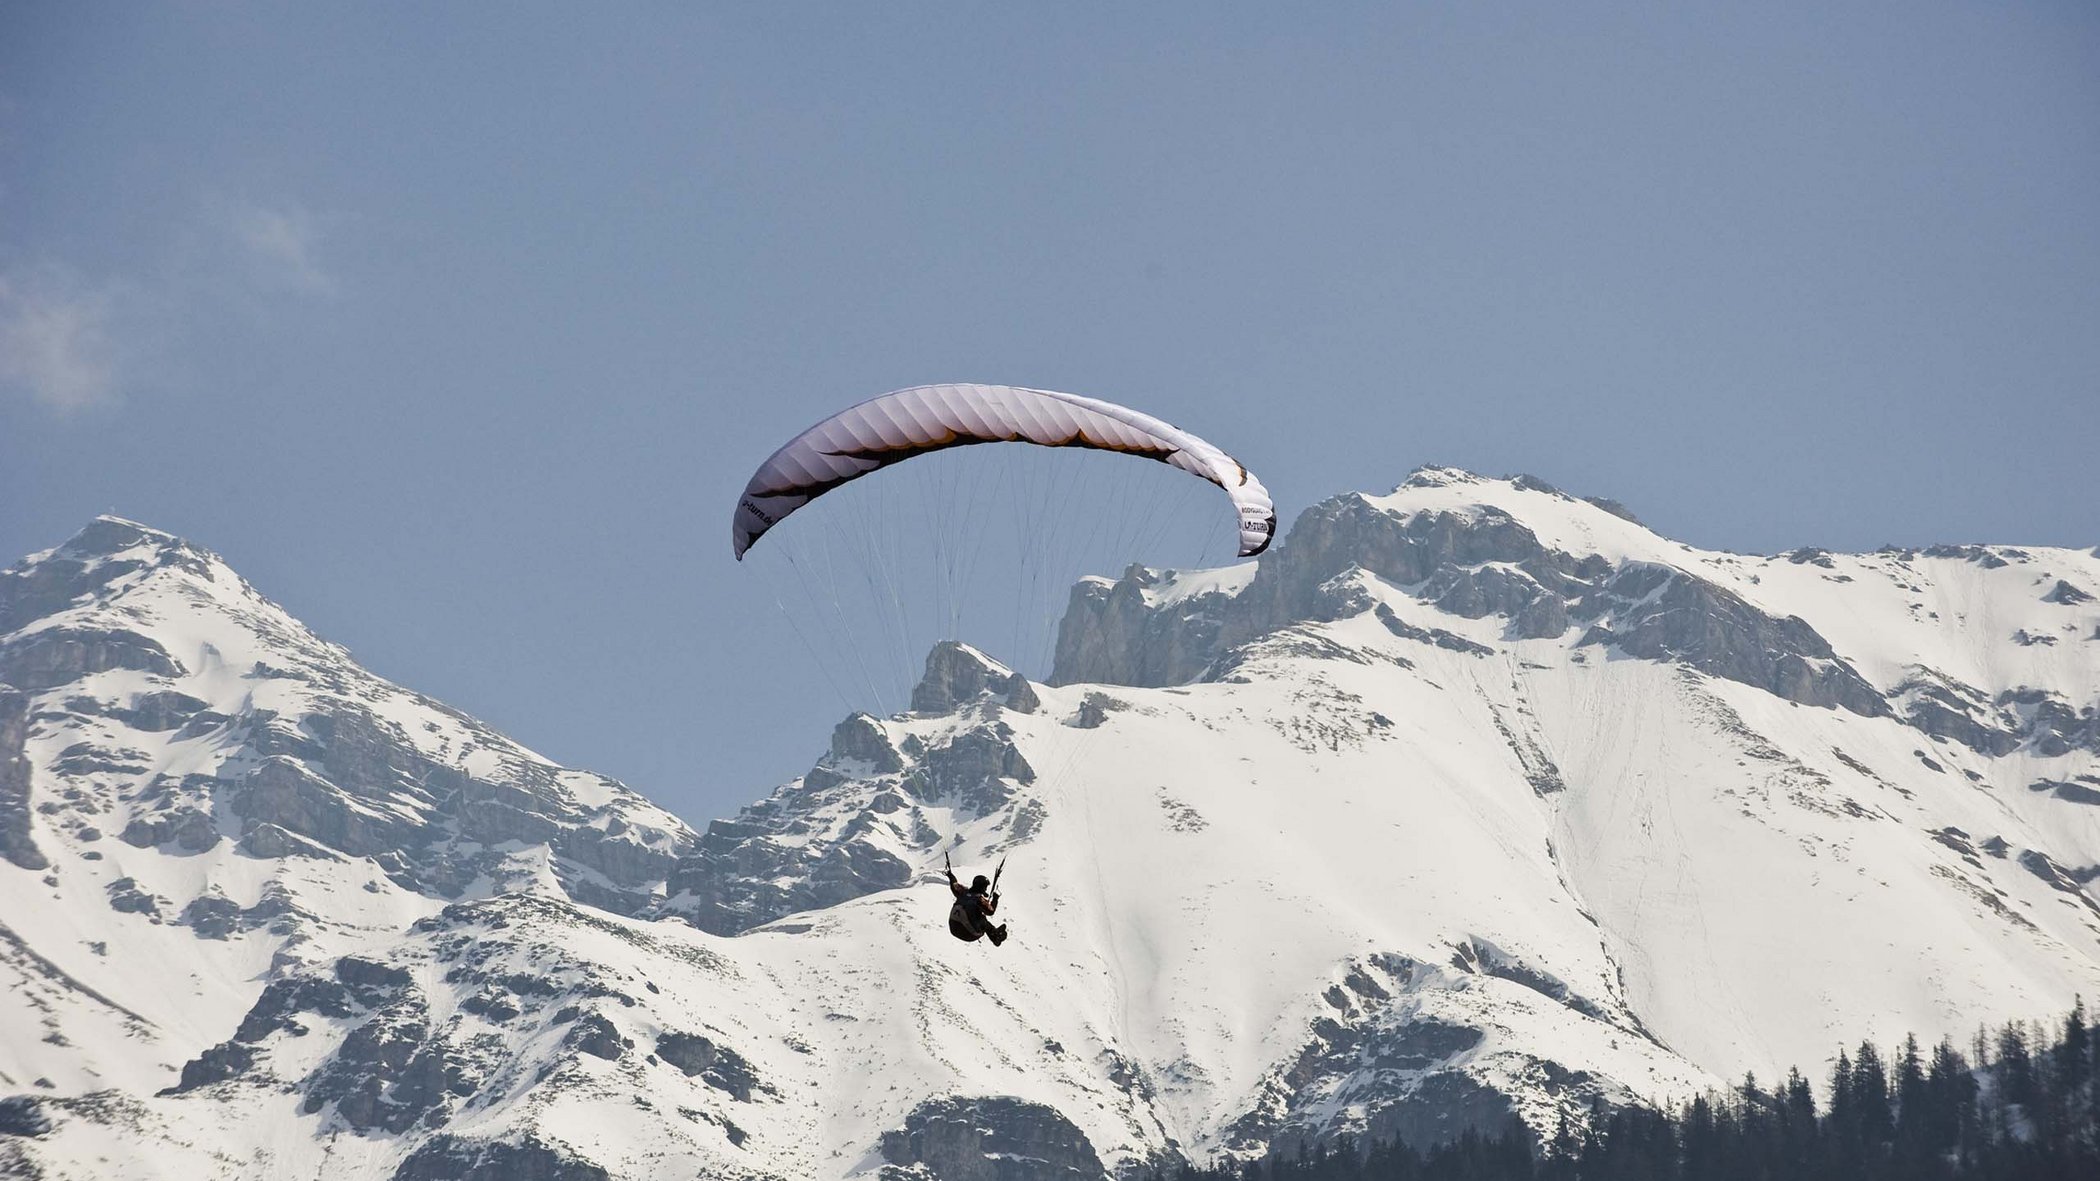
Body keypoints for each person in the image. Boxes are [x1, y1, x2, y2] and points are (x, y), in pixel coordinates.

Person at [946, 865, 1007, 946]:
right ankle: (995, 936)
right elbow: (990, 911)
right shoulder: (979, 899)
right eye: (985, 887)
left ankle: (994, 933)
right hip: (969, 934)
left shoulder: (962, 892)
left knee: (975, 913)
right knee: (983, 919)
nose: (985, 889)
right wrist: (995, 899)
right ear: (981, 887)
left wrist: (950, 875)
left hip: (953, 929)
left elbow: (954, 884)